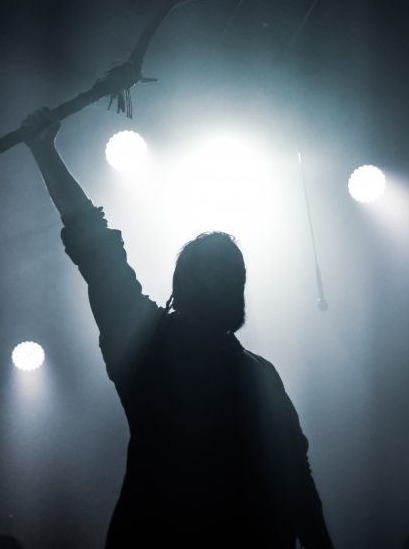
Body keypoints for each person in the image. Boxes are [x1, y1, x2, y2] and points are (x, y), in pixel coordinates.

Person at [22, 108, 335, 549]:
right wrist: (45, 154)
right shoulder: (153, 344)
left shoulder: (258, 374)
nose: (218, 282)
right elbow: (95, 248)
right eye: (208, 272)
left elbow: (297, 479)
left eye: (227, 274)